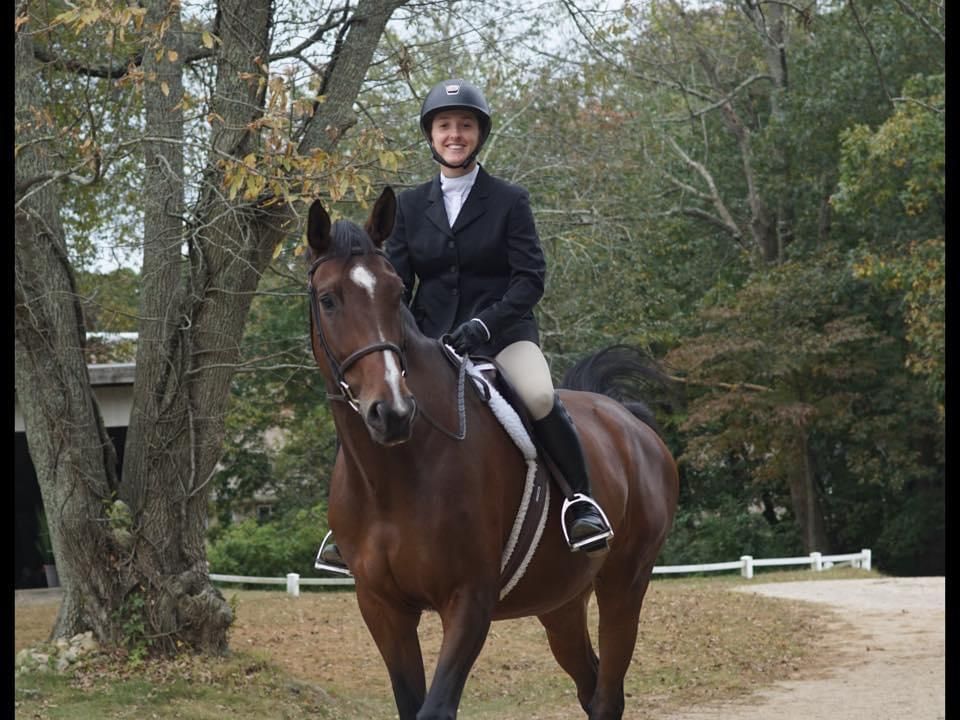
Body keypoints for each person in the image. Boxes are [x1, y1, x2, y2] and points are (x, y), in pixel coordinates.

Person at [317, 78, 611, 573]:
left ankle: (579, 503)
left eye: (465, 126)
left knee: (539, 397)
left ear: (479, 135)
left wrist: (483, 324)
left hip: (502, 337)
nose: (455, 134)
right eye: (445, 126)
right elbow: (398, 282)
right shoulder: (409, 206)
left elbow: (529, 279)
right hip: (429, 340)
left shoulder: (508, 200)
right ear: (431, 136)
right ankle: (349, 526)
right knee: (372, 397)